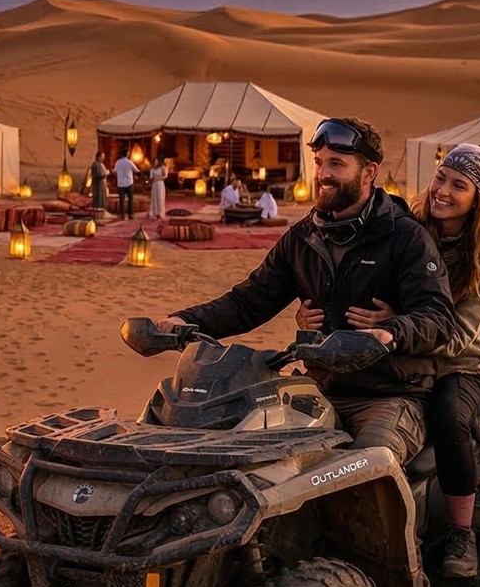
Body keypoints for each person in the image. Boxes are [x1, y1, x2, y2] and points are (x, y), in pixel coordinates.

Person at [157, 116, 457, 467]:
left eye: (336, 164)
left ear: (369, 172)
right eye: (319, 163)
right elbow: (248, 302)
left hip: (388, 396)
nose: (323, 174)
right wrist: (184, 320)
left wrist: (388, 333)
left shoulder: (405, 237)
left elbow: (438, 316)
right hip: (314, 389)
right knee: (246, 461)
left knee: (367, 469)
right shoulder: (303, 238)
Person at [297, 144, 480, 577]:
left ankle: (460, 535)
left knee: (449, 421)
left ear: (478, 199)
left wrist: (403, 327)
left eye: (459, 185)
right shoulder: (408, 229)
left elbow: (458, 334)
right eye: (441, 178)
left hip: (456, 364)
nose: (443, 191)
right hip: (392, 358)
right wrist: (310, 314)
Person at [113, 149, 139, 220]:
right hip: (129, 183)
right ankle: (131, 215)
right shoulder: (129, 162)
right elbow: (136, 170)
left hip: (120, 183)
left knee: (122, 200)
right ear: (127, 154)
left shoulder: (118, 162)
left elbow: (114, 171)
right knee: (130, 199)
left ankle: (122, 215)